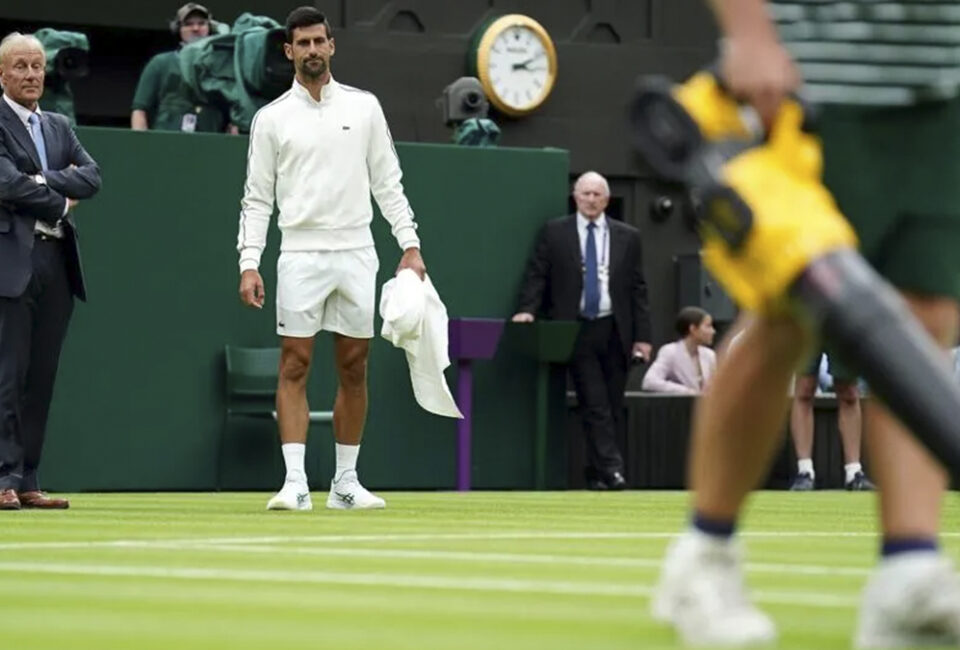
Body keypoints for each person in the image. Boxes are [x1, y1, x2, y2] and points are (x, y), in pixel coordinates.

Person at [651, 1, 960, 646]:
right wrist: (750, 34)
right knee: (786, 319)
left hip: (942, 89)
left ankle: (908, 565)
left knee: (925, 314)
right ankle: (704, 554)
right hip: (810, 82)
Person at [236, 6, 426, 512]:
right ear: (289, 51)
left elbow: (388, 182)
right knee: (295, 361)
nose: (313, 51)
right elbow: (257, 197)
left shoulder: (365, 108)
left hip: (357, 251)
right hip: (299, 252)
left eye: (320, 41)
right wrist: (248, 262)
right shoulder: (271, 118)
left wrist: (410, 244)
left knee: (354, 364)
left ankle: (345, 483)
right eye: (303, 44)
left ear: (332, 45)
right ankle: (295, 483)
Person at [0, 33, 101, 510]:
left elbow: (93, 175)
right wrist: (60, 196)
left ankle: (28, 479)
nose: (31, 75)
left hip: (57, 262)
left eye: (37, 66)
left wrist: (40, 181)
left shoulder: (59, 124)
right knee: (8, 376)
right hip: (12, 263)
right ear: (2, 74)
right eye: (20, 66)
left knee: (42, 377)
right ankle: (2, 477)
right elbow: (6, 185)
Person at [513, 171, 653, 491]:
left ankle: (596, 473)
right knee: (594, 400)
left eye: (597, 195)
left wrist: (644, 337)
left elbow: (638, 289)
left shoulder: (627, 236)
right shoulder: (555, 232)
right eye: (586, 193)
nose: (591, 200)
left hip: (615, 328)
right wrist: (527, 310)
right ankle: (614, 471)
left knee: (612, 404)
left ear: (606, 199)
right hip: (576, 327)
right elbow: (538, 274)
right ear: (575, 196)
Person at [130, 3, 232, 133]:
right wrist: (140, 145)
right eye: (188, 24)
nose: (195, 28)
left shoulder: (220, 65)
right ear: (179, 28)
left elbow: (233, 114)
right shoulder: (161, 63)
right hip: (167, 141)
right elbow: (140, 110)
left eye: (201, 23)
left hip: (209, 141)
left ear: (209, 28)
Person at [789, 351, 873, 491]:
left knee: (849, 393)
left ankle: (854, 472)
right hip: (812, 330)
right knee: (804, 389)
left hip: (842, 330)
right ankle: (804, 471)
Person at [642, 306, 716, 395]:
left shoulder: (709, 355)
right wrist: (686, 391)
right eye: (708, 326)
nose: (713, 331)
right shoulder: (670, 352)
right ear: (693, 329)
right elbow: (650, 381)